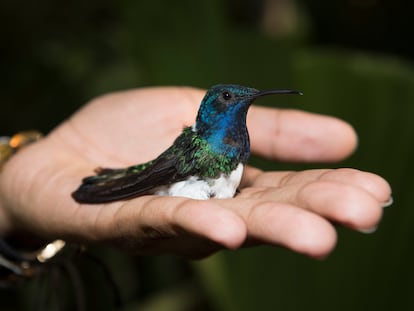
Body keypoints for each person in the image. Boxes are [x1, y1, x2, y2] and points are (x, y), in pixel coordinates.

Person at [0, 86, 392, 261]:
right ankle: (104, 181)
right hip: (171, 180)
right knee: (130, 179)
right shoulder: (199, 145)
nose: (239, 100)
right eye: (229, 96)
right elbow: (153, 176)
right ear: (213, 108)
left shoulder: (235, 140)